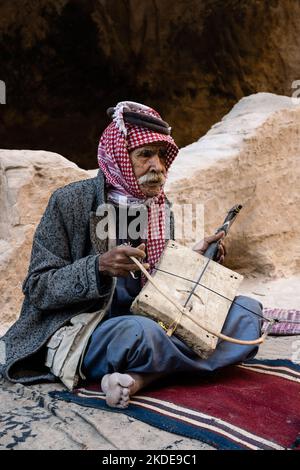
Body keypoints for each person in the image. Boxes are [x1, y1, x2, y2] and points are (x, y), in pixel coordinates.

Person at [0, 101, 262, 409]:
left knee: (249, 314)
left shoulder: (160, 208)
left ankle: (141, 379)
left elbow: (160, 283)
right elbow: (38, 287)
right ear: (120, 156)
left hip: (154, 320)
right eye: (145, 155)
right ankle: (159, 367)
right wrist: (98, 267)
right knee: (139, 335)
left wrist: (197, 259)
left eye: (163, 156)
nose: (158, 166)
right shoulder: (70, 202)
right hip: (93, 328)